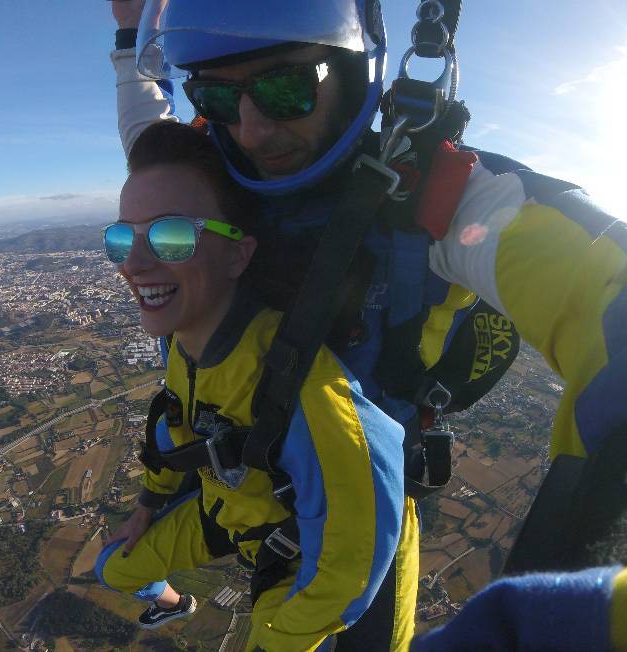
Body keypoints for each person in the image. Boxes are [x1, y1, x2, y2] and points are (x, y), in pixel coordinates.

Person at [107, 1, 627, 648]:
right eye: (215, 94)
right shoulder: (208, 178)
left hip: (365, 508)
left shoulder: (438, 195)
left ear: (351, 72)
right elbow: (145, 130)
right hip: (241, 480)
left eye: (285, 88)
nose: (253, 131)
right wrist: (129, 36)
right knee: (120, 562)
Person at [95, 120, 417, 651]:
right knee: (115, 568)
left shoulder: (297, 381)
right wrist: (149, 504)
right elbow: (170, 426)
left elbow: (351, 565)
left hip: (295, 555)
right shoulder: (183, 347)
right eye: (122, 236)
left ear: (238, 254)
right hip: (230, 515)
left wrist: (278, 640)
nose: (133, 262)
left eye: (171, 235)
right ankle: (176, 602)